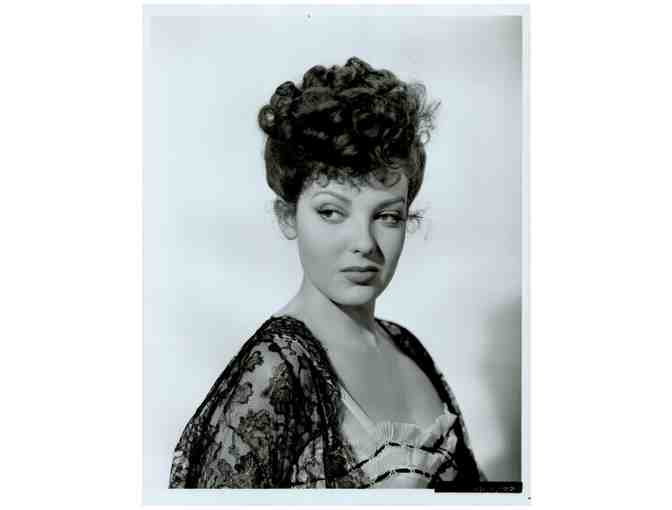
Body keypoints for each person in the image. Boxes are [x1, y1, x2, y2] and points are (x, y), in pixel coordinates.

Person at [169, 57, 483, 489]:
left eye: (387, 216)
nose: (365, 243)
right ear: (288, 216)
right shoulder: (273, 372)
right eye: (332, 212)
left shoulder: (408, 348)